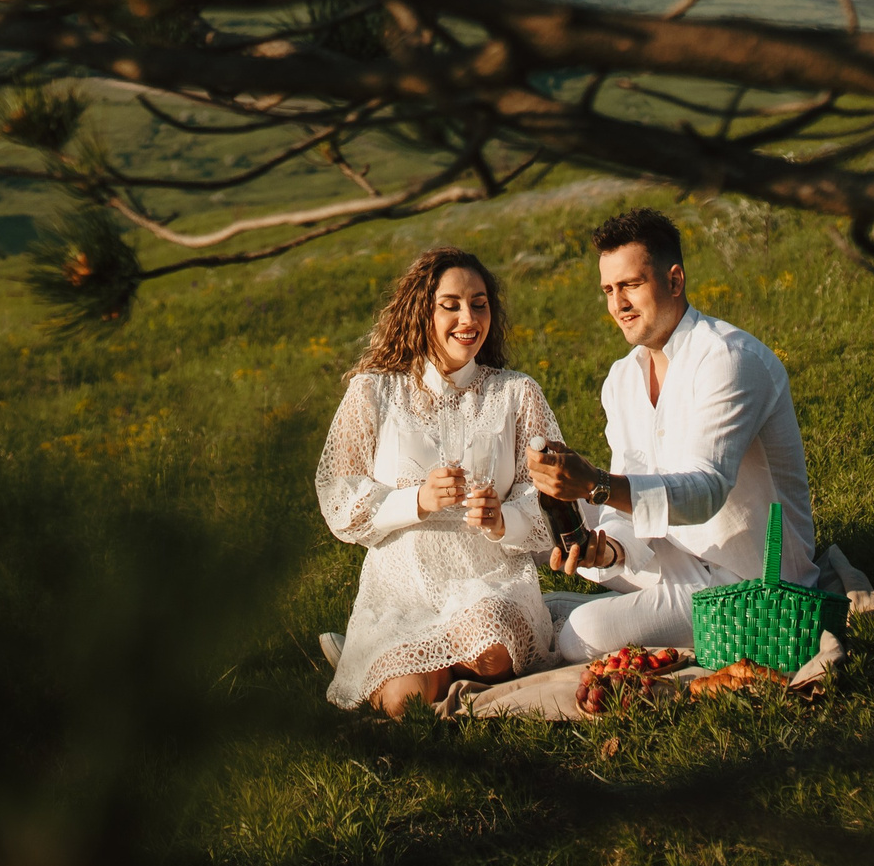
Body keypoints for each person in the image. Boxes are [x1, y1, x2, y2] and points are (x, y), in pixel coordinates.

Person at [527, 207, 817, 664]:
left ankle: (584, 623)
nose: (617, 303)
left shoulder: (727, 358)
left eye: (631, 285)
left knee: (578, 633)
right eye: (608, 289)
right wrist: (610, 551)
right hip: (672, 560)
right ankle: (576, 615)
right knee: (537, 556)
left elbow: (704, 492)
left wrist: (597, 484)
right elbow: (633, 493)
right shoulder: (622, 379)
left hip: (749, 581)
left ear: (675, 281)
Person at [314, 246, 565, 716]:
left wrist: (501, 519)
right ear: (420, 311)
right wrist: (417, 501)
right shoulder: (373, 391)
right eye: (450, 304)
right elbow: (338, 494)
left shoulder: (516, 392)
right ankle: (383, 659)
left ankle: (434, 666)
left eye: (479, 302)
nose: (468, 317)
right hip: (403, 584)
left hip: (489, 576)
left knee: (490, 656)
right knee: (405, 704)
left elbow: (552, 496)